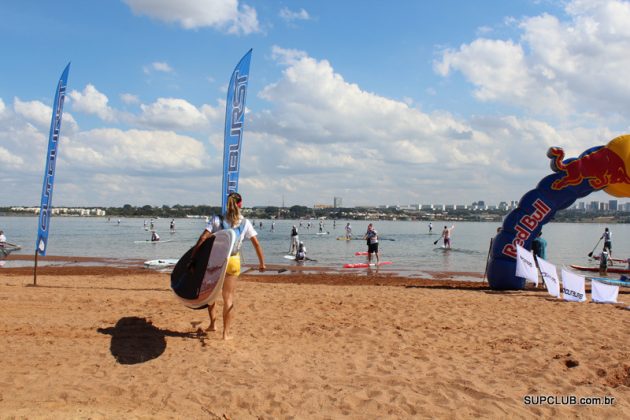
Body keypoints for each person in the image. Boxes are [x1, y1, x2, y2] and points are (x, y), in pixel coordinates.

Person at [189, 192, 265, 340]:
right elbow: (256, 243)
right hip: (233, 261)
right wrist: (262, 263)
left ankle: (213, 324)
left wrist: (193, 257)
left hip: (216, 261)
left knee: (211, 294)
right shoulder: (245, 223)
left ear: (227, 204)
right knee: (228, 298)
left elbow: (203, 237)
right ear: (241, 204)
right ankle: (226, 334)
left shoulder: (217, 219)